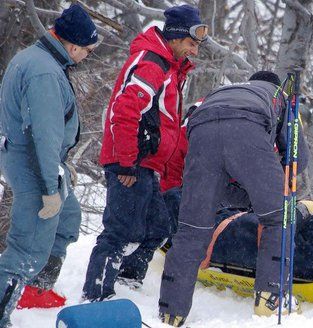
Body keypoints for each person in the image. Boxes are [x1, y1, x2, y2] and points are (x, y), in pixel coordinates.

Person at [158, 71, 309, 326]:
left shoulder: (222, 91)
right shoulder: (280, 96)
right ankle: (271, 299)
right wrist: (270, 183)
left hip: (201, 132)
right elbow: (298, 159)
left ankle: (171, 312)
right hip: (246, 128)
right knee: (278, 217)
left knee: (192, 230)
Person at [81, 5, 207, 302]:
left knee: (158, 226)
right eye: (192, 43)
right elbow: (123, 112)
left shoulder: (170, 67)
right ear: (175, 37)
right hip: (129, 162)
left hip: (146, 163)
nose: (195, 52)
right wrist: (126, 163)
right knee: (120, 231)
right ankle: (95, 296)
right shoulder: (153, 64)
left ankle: (127, 280)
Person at [0, 3, 97, 325]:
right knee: (28, 247)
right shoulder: (44, 72)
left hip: (40, 160)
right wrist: (48, 187)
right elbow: (45, 134)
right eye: (87, 49)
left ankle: (36, 290)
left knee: (68, 219)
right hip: (34, 163)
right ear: (72, 45)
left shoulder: (39, 58)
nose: (87, 56)